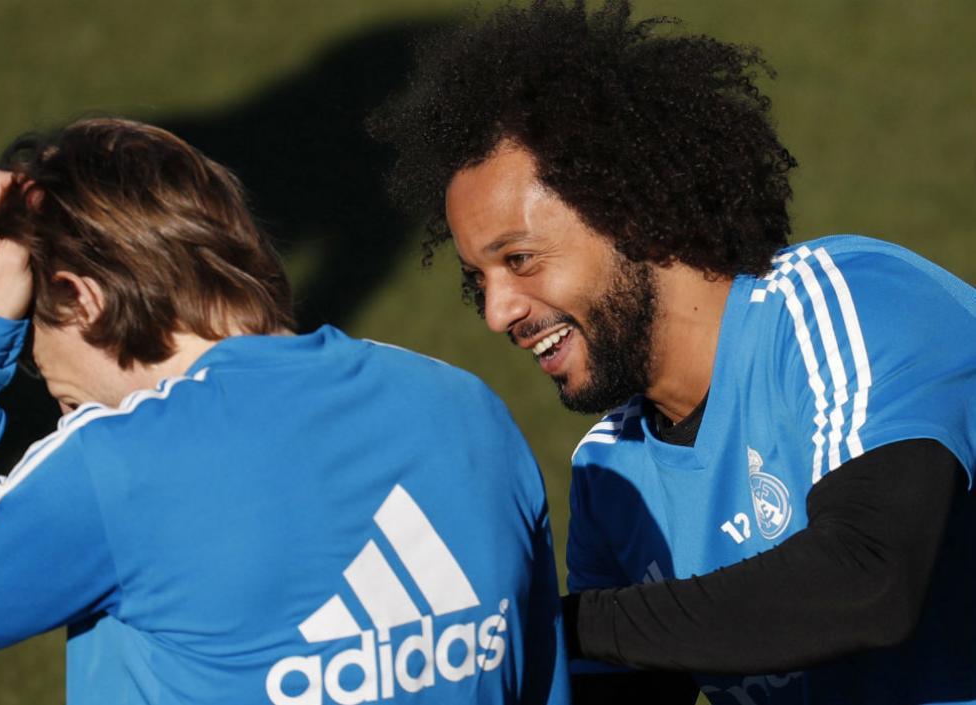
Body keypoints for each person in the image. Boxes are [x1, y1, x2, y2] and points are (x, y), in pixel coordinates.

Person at [0, 118, 570, 705]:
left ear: (82, 298)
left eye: (35, 339)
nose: (53, 394)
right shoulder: (468, 412)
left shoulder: (119, 462)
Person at [368, 1, 976, 704]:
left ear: (631, 213)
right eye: (481, 280)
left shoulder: (842, 304)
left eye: (521, 257)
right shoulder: (609, 474)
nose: (498, 310)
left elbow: (868, 579)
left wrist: (544, 623)